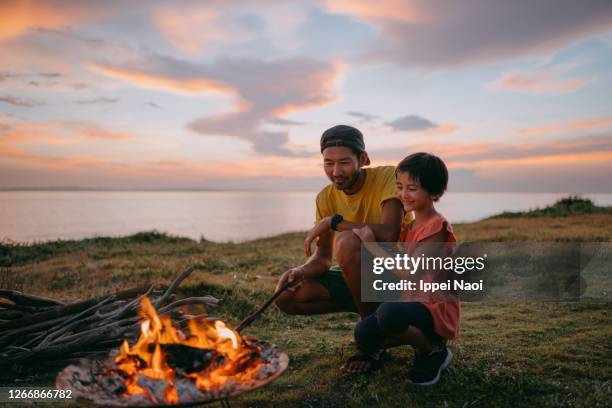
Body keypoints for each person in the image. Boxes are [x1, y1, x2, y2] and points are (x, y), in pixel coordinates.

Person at [274, 125, 411, 318]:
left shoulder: (390, 176)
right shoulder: (325, 197)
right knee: (287, 295)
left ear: (363, 159)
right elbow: (323, 258)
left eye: (344, 162)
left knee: (347, 241)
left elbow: (389, 233)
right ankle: (368, 309)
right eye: (328, 163)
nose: (336, 171)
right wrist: (300, 271)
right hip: (357, 278)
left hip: (398, 273)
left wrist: (334, 222)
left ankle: (372, 328)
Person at [347, 152, 460, 386]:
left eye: (412, 188)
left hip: (434, 310)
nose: (403, 195)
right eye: (399, 187)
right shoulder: (409, 227)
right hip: (413, 305)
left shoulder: (436, 228)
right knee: (363, 334)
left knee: (389, 313)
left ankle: (433, 351)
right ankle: (419, 342)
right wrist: (330, 222)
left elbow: (411, 272)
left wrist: (370, 246)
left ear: (434, 193)